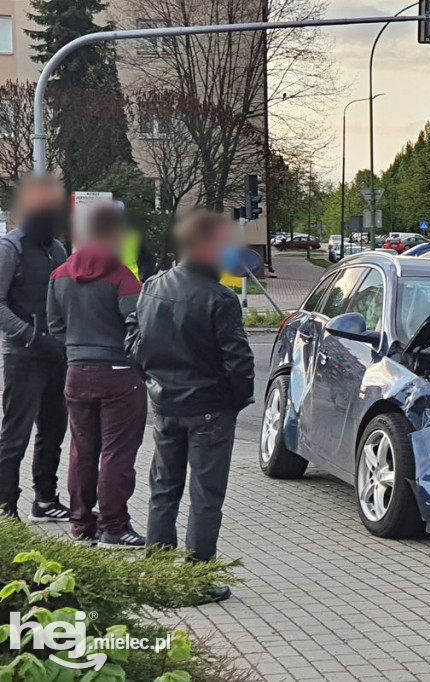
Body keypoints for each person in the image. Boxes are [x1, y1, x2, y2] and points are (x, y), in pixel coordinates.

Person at [127, 211, 254, 602]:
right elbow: (239, 361)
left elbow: (134, 344)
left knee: (164, 489)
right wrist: (234, 401)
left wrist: (153, 380)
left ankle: (157, 573)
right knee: (205, 495)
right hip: (210, 409)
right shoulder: (220, 298)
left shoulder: (151, 286)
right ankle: (197, 578)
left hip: (165, 404)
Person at [48, 205, 147, 548]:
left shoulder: (59, 274)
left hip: (75, 373)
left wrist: (78, 348)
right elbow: (138, 328)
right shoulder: (122, 277)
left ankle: (81, 525)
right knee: (117, 453)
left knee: (82, 450)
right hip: (119, 375)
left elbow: (55, 326)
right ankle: (114, 526)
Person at [0, 177, 70, 522]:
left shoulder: (57, 249)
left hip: (57, 356)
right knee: (15, 435)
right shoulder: (9, 248)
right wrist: (29, 335)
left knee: (54, 431)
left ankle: (45, 500)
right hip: (22, 356)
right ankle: (5, 507)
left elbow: (65, 298)